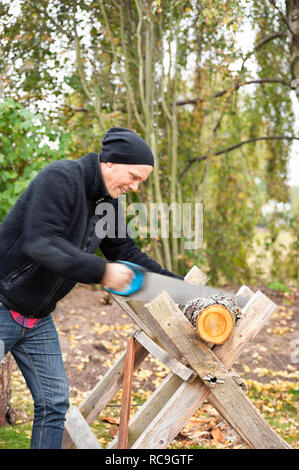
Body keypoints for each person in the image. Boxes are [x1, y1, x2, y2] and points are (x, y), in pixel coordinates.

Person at [0, 127, 182, 449]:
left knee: (54, 405)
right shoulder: (61, 179)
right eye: (134, 176)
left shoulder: (106, 204)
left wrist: (177, 288)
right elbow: (42, 243)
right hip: (2, 304)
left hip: (37, 319)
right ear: (111, 163)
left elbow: (126, 253)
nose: (135, 187)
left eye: (142, 180)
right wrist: (101, 271)